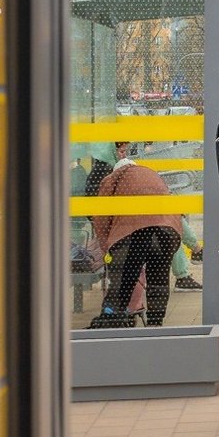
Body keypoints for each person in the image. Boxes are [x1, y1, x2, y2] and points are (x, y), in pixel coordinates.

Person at [87, 141, 182, 329]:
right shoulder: (151, 174)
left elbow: (101, 218)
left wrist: (106, 249)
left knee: (124, 277)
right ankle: (155, 325)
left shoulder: (112, 179)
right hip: (167, 231)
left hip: (136, 232)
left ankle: (114, 319)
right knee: (159, 278)